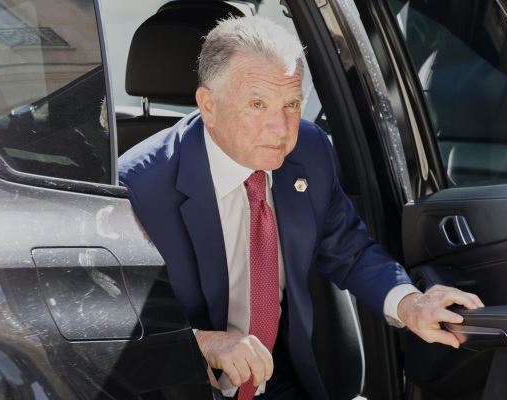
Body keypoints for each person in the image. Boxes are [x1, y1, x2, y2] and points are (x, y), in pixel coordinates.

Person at [119, 15, 484, 400]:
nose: (281, 128)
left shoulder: (309, 151)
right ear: (208, 106)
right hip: (182, 388)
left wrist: (410, 304)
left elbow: (349, 250)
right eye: (257, 104)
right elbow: (117, 326)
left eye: (292, 104)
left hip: (279, 379)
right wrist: (201, 344)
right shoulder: (139, 188)